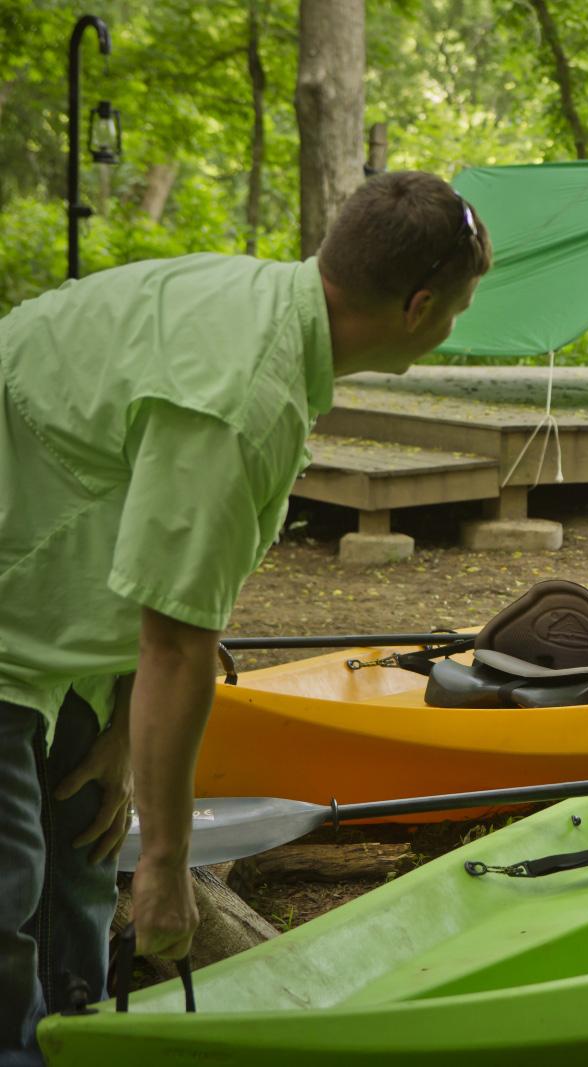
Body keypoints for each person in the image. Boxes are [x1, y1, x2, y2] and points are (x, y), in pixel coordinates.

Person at [0, 170, 491, 1061]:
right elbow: (179, 643)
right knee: (5, 910)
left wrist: (118, 727)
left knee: (79, 865)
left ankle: (82, 1034)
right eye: (458, 306)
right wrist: (165, 865)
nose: (455, 323)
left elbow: (152, 548)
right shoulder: (242, 396)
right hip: (10, 621)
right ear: (419, 305)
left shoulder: (267, 312)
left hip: (58, 625)